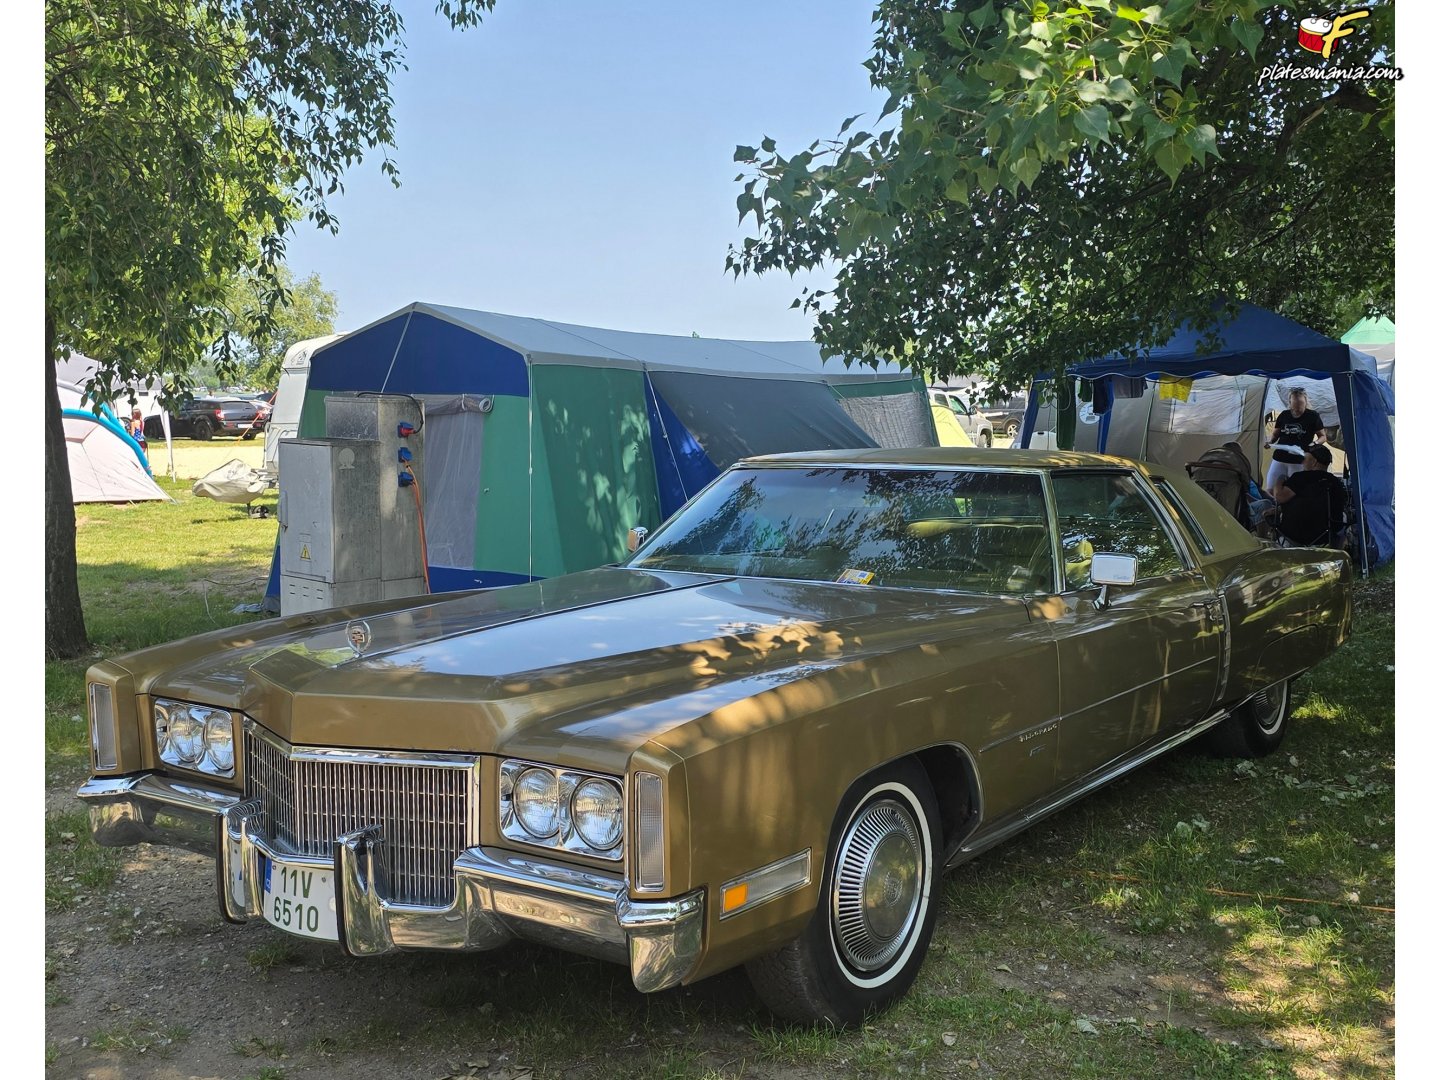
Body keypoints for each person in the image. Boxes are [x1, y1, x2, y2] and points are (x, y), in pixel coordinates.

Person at [1271, 443, 1346, 547]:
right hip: (1325, 537)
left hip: (1294, 535)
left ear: (1314, 462)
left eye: (1305, 459)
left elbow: (1279, 497)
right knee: (1344, 518)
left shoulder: (1300, 477)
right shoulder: (1336, 482)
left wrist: (1280, 479)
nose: (1302, 462)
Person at [1264, 387, 1326, 499]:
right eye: (1295, 405)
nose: (1298, 408)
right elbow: (1275, 434)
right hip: (1279, 458)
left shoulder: (1312, 416)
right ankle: (1273, 511)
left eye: (1301, 404)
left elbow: (1323, 436)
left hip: (1299, 461)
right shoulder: (1284, 415)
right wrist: (1270, 441)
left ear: (1306, 402)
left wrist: (1314, 443)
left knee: (1294, 492)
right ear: (1290, 403)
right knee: (1270, 489)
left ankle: (1289, 512)